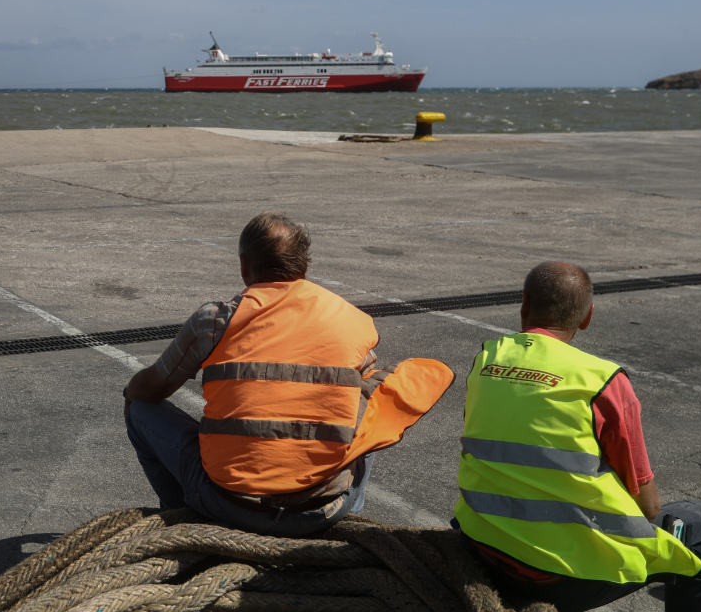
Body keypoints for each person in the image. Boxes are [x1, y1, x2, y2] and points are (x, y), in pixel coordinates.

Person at [123, 211, 454, 537]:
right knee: (369, 410)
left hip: (228, 503)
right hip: (320, 512)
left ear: (244, 265)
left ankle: (180, 523)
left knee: (139, 409)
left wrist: (130, 393)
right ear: (304, 265)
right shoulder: (351, 320)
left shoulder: (215, 320)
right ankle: (348, 528)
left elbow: (150, 388)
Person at [454, 261, 701, 612]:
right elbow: (648, 507)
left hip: (481, 545)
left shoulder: (486, 360)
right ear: (587, 317)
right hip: (565, 575)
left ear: (524, 303)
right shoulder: (602, 382)